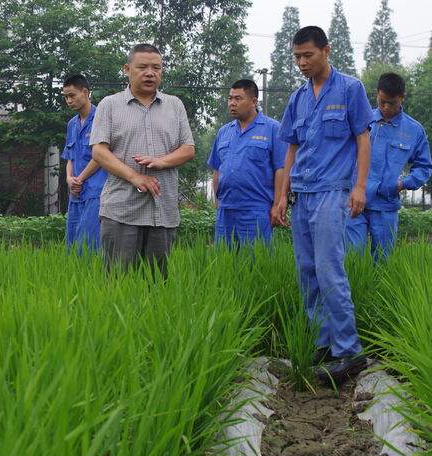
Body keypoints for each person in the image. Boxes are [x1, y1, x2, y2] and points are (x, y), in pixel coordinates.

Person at [275, 26, 373, 381]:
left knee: (330, 270)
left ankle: (349, 352)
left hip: (333, 192)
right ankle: (323, 343)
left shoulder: (350, 89)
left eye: (308, 55)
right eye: (297, 57)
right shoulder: (298, 98)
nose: (302, 63)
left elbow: (363, 139)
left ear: (326, 51)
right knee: (307, 273)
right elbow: (291, 148)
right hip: (300, 193)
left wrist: (359, 186)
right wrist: (283, 195)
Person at [90, 44, 195, 278]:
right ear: (127, 69)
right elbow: (99, 151)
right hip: (121, 209)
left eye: (156, 68)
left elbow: (188, 149)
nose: (150, 73)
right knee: (119, 284)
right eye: (142, 67)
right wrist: (134, 176)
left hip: (162, 210)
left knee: (157, 285)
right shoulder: (109, 105)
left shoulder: (174, 105)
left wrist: (161, 161)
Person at [345, 73, 432, 262]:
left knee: (383, 261)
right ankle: (355, 292)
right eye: (382, 101)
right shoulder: (361, 121)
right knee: (353, 258)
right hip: (354, 200)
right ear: (376, 94)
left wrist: (400, 184)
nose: (386, 107)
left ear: (403, 97)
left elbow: (424, 167)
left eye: (392, 103)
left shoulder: (414, 130)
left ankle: (379, 292)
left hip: (386, 203)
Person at [207, 79, 288, 249]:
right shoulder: (224, 132)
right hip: (226, 210)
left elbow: (281, 169)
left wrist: (276, 205)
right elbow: (217, 169)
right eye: (230, 98)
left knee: (257, 265)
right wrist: (217, 202)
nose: (232, 103)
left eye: (238, 98)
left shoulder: (272, 129)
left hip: (257, 210)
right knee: (225, 265)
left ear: (253, 102)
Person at [61, 74, 108, 255]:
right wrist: (69, 180)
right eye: (66, 97)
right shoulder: (71, 124)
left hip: (95, 193)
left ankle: (93, 282)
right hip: (76, 195)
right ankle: (75, 283)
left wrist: (78, 180)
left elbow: (100, 157)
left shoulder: (101, 119)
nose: (69, 100)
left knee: (89, 247)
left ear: (85, 92)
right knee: (72, 248)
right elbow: (70, 158)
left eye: (72, 95)